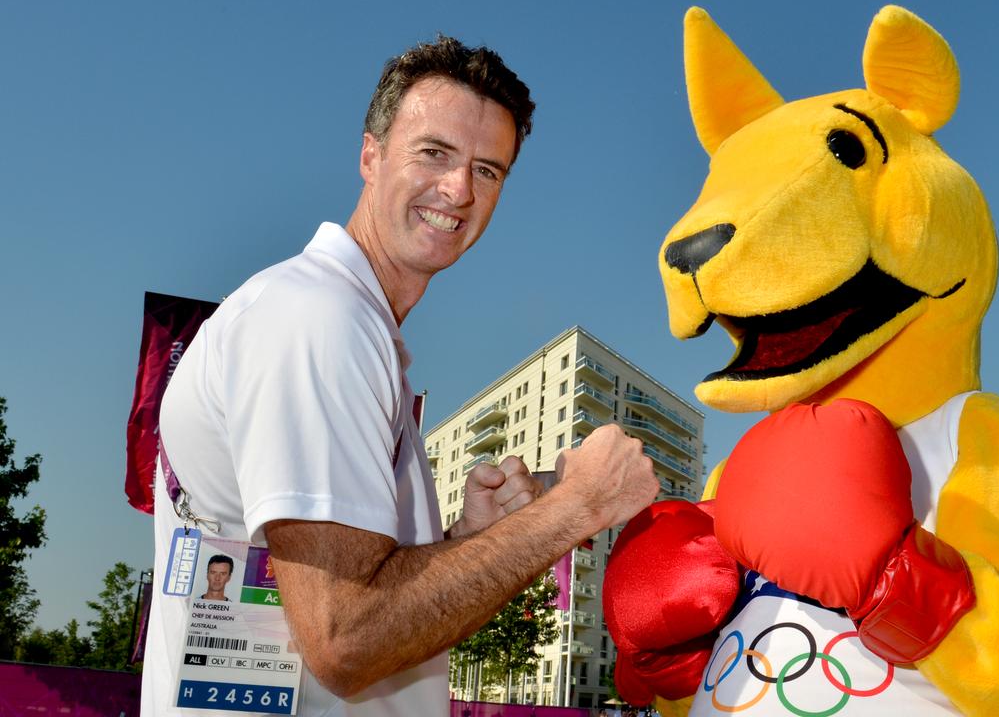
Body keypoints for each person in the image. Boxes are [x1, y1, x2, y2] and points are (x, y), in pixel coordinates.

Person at [141, 35, 659, 715]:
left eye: (488, 170)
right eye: (434, 153)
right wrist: (576, 508)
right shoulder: (317, 318)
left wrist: (470, 545)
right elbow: (346, 639)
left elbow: (371, 609)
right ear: (370, 155)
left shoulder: (355, 330)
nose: (459, 190)